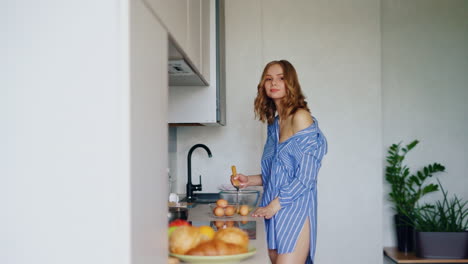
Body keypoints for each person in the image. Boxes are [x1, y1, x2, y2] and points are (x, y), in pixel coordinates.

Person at [231, 60, 327, 264]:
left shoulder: (301, 117)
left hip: (294, 208)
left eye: (281, 78)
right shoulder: (274, 123)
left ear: (290, 83)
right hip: (272, 208)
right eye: (268, 79)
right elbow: (276, 173)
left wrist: (276, 205)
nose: (273, 83)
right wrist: (248, 180)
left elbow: (307, 176)